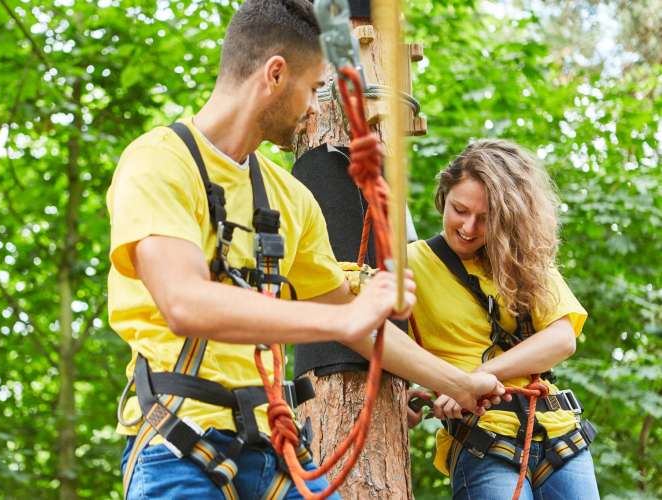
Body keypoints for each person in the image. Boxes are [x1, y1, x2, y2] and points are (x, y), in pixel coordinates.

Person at [107, 1, 505, 498]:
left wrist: (458, 383)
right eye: (314, 89)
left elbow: (355, 321)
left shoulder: (290, 197)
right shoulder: (160, 162)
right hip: (178, 446)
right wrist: (346, 320)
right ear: (275, 74)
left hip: (274, 450)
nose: (316, 108)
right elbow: (184, 302)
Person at [405, 140, 600, 499]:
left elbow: (561, 339)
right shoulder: (411, 264)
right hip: (483, 438)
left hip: (558, 432)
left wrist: (476, 378)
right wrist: (408, 391)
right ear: (442, 197)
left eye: (485, 218)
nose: (468, 227)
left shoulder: (521, 260)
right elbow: (380, 335)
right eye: (459, 210)